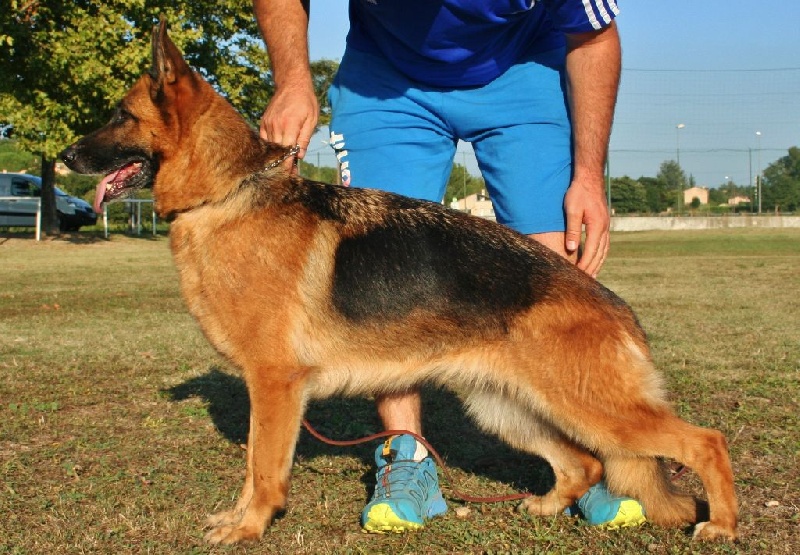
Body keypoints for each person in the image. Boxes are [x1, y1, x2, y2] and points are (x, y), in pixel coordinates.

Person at [254, 0, 645, 534]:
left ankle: (585, 457)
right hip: (387, 79)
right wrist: (293, 80)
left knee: (556, 271)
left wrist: (588, 176)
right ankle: (406, 460)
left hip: (523, 66)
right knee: (382, 276)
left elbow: (596, 38)